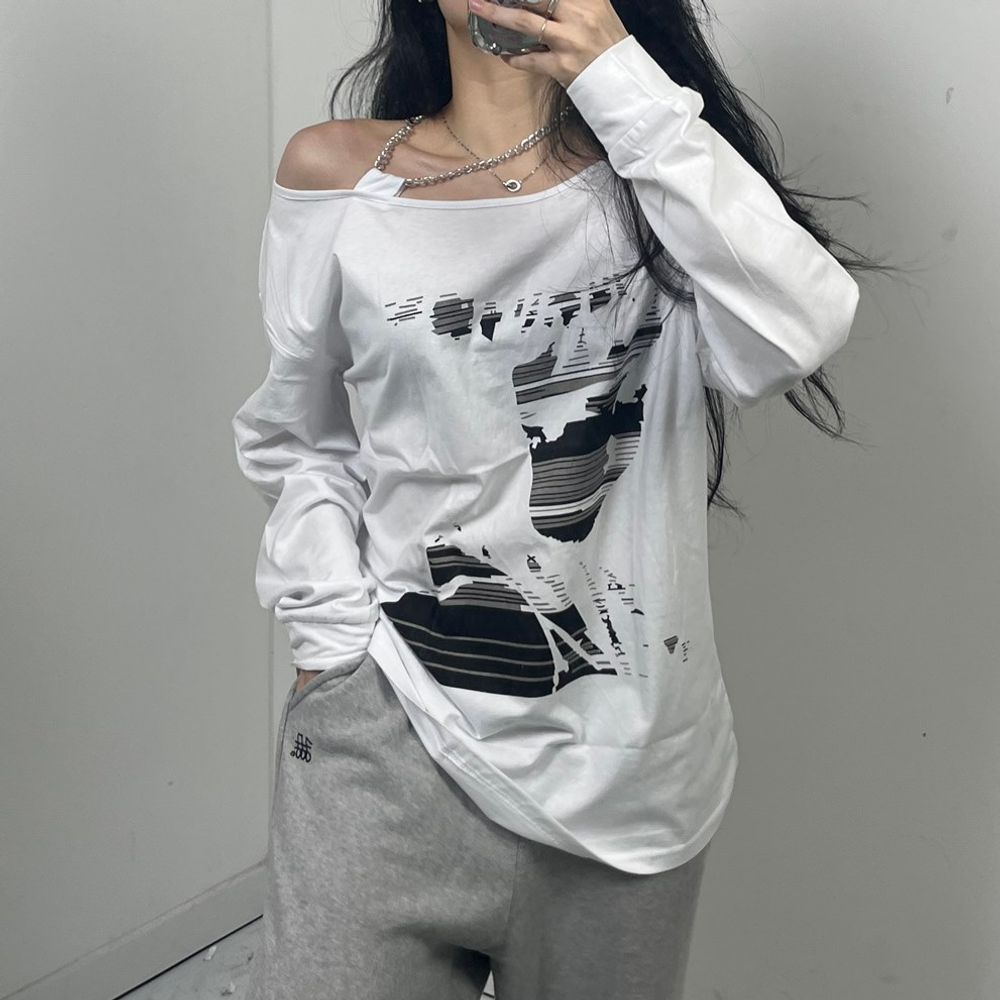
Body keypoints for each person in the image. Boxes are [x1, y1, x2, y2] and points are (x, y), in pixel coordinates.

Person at [232, 1, 880, 996]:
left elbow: (800, 328)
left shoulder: (658, 177)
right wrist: (333, 646)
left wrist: (617, 78)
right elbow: (301, 438)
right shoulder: (339, 177)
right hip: (389, 733)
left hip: (625, 766)